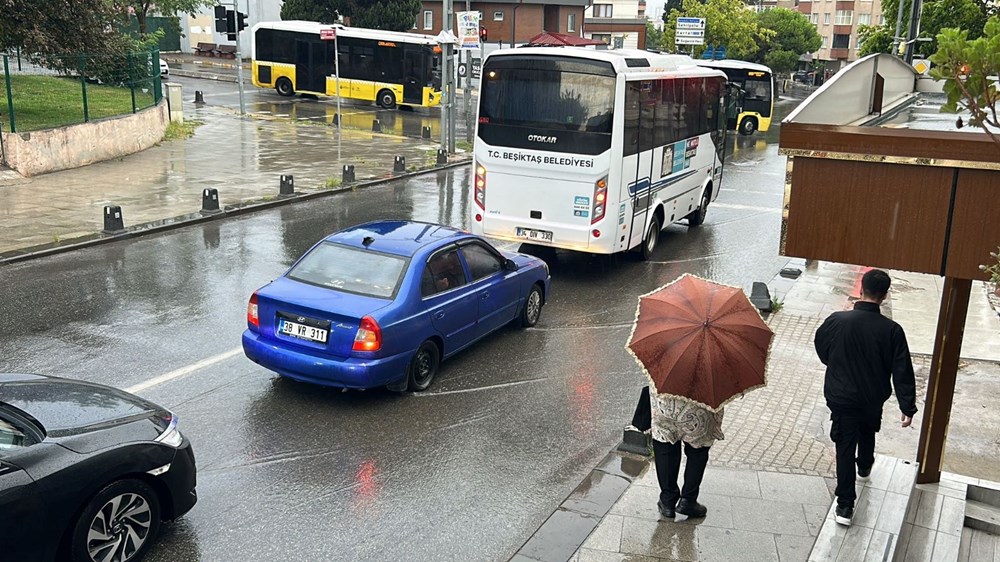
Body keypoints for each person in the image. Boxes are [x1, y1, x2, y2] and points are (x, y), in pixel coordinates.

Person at [814, 268, 917, 527]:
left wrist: (834, 363)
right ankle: (866, 465)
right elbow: (901, 368)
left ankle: (845, 505)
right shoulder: (892, 330)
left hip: (842, 397)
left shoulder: (837, 321)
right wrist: (907, 405)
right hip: (872, 397)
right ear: (884, 296)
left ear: (861, 289)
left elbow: (822, 348)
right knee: (868, 428)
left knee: (844, 447)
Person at [650, 392, 724, 519]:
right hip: (700, 405)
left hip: (666, 402)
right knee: (698, 450)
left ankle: (668, 500)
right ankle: (688, 500)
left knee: (665, 445)